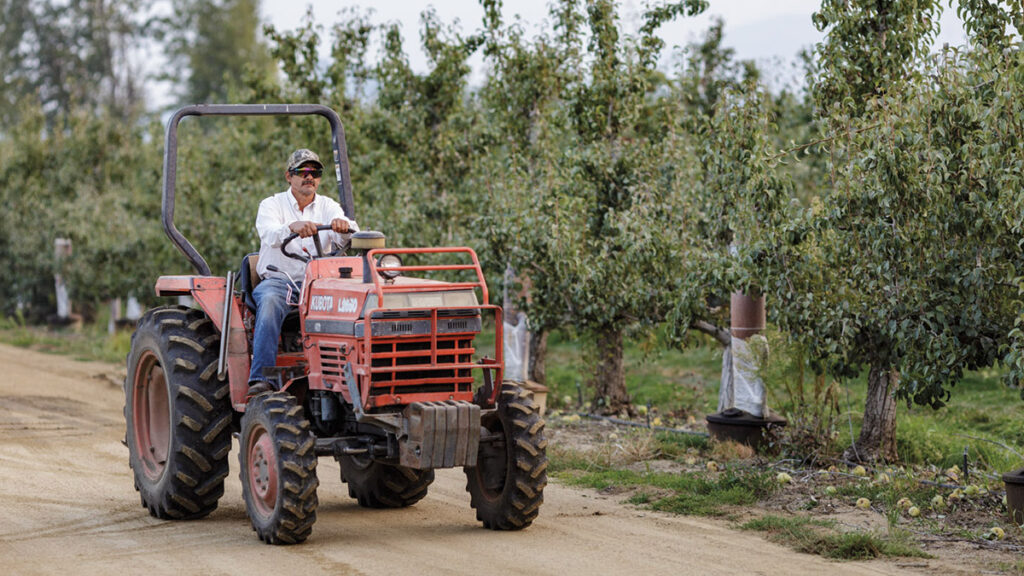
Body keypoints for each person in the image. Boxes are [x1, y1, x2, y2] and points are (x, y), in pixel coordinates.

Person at [247, 148, 358, 396]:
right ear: (289, 176)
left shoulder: (328, 206)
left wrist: (344, 227)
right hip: (281, 281)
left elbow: (349, 232)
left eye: (315, 172)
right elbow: (269, 233)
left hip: (320, 283)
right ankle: (261, 379)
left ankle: (349, 377)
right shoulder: (271, 205)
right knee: (271, 303)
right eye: (302, 171)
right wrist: (292, 227)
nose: (310, 177)